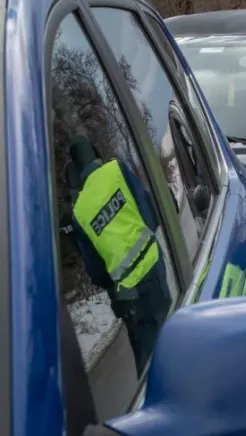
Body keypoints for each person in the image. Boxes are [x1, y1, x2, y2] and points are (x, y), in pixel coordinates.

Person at [67, 136, 171, 372]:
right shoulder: (117, 170)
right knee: (165, 342)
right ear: (95, 153)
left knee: (147, 355)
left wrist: (116, 278)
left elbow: (95, 272)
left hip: (129, 293)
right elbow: (149, 214)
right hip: (154, 269)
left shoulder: (79, 213)